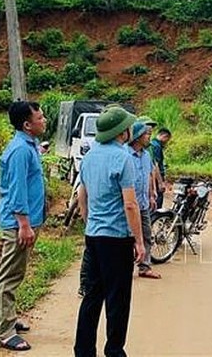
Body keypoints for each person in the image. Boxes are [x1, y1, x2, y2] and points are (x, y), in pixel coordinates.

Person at [74, 106, 145, 357]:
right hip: (116, 239)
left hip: (93, 235)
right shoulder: (123, 158)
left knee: (92, 296)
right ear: (122, 131)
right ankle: (114, 351)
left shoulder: (90, 157)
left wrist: (88, 222)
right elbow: (130, 203)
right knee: (118, 299)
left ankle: (83, 351)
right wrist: (139, 240)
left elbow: (82, 195)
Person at [0, 101, 47, 352]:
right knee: (11, 274)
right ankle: (4, 330)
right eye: (40, 117)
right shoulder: (20, 151)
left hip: (24, 220)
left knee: (8, 268)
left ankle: (0, 314)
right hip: (18, 223)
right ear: (27, 124)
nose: (44, 120)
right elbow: (16, 190)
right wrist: (24, 224)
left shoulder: (28, 146)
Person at [128, 122, 160, 279]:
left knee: (147, 234)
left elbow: (148, 175)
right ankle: (125, 267)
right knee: (128, 237)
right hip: (129, 204)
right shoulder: (126, 154)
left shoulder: (146, 155)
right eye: (147, 134)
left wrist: (152, 194)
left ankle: (144, 266)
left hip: (143, 203)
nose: (150, 137)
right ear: (138, 137)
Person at [149, 127, 172, 209]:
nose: (166, 142)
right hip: (157, 176)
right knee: (158, 197)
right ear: (164, 136)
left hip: (151, 175)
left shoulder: (151, 144)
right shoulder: (157, 146)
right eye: (167, 139)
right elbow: (155, 165)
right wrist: (160, 182)